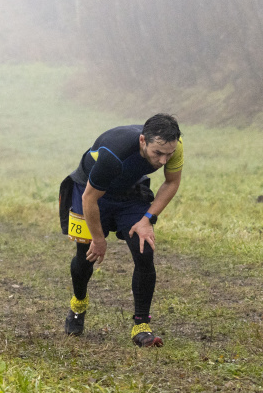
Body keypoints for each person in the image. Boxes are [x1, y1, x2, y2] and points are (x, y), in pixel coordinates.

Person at [59, 113, 183, 348]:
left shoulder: (173, 146)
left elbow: (172, 182)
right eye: (158, 154)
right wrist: (98, 239)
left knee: (144, 252)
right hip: (91, 192)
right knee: (85, 257)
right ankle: (78, 304)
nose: (164, 160)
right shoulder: (113, 154)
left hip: (129, 192)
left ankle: (141, 325)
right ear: (142, 141)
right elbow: (89, 198)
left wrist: (148, 218)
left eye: (169, 154)